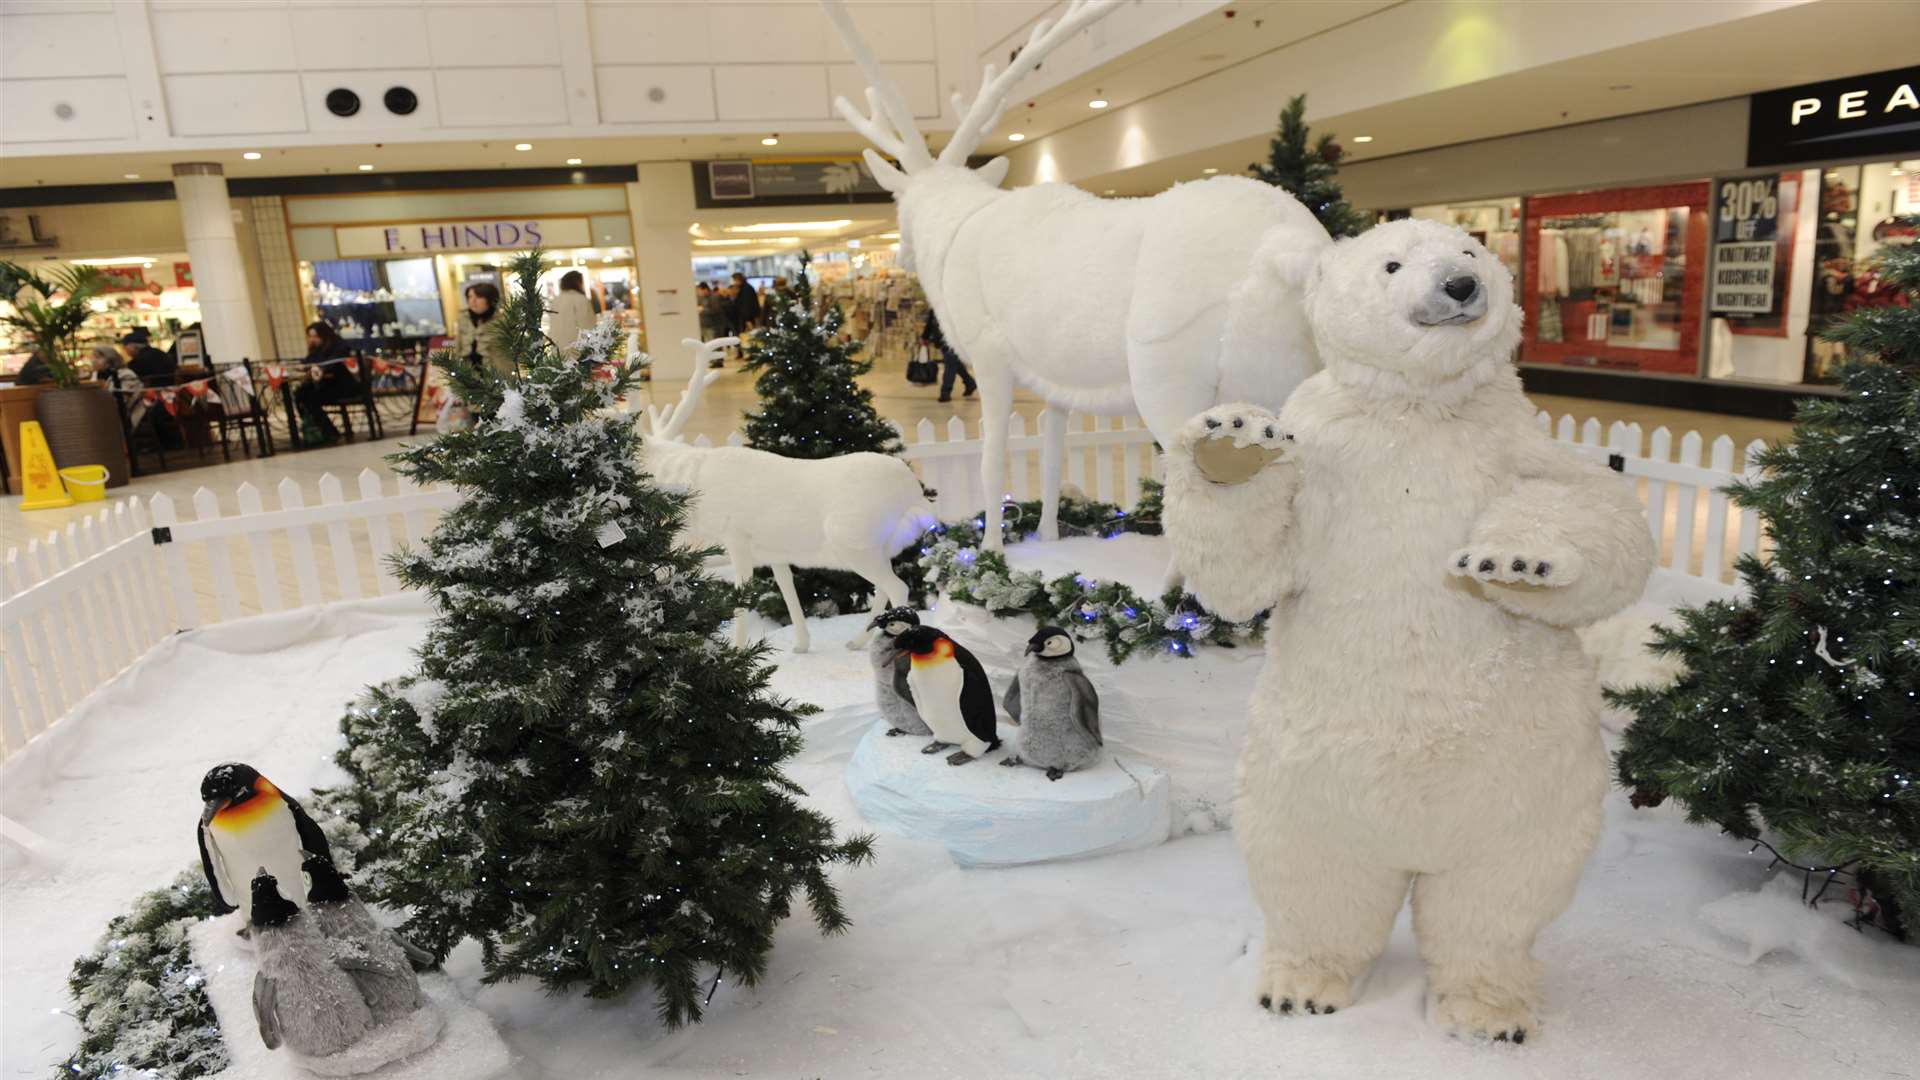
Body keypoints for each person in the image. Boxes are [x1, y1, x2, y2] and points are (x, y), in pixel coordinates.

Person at [294, 321, 357, 446]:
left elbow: (332, 363)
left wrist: (319, 367)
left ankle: (328, 432)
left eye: (315, 336)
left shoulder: (339, 345)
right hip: (327, 386)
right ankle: (318, 431)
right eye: (310, 336)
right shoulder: (317, 349)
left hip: (342, 387)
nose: (312, 339)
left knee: (309, 398)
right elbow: (308, 363)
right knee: (300, 394)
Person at [925, 309, 975, 402]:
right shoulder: (937, 304)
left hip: (954, 340)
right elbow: (931, 321)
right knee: (954, 363)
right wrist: (925, 336)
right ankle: (970, 383)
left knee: (950, 365)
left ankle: (945, 393)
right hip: (942, 340)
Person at [545, 270, 596, 361]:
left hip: (555, 346)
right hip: (575, 350)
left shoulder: (556, 299)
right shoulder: (580, 299)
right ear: (577, 282)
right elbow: (588, 326)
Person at [729, 272, 760, 337]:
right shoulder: (745, 288)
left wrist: (747, 319)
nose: (734, 282)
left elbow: (747, 305)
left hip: (747, 317)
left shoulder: (746, 289)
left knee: (750, 334)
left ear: (739, 279)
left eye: (735, 280)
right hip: (746, 317)